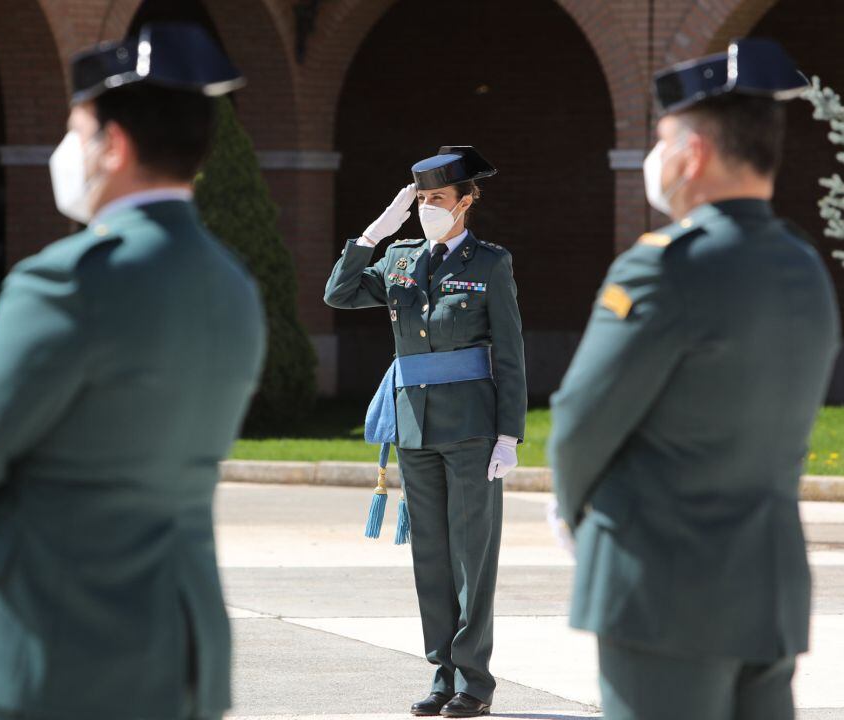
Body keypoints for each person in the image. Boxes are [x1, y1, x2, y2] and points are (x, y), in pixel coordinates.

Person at [0, 24, 265, 720]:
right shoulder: (233, 283)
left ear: (115, 145)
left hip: (62, 637)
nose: (67, 152)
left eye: (77, 131)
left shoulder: (68, 280)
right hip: (186, 638)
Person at [548, 38, 841, 720]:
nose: (657, 157)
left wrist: (573, 512)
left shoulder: (665, 266)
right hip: (767, 588)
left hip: (663, 589)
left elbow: (580, 421)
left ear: (695, 152)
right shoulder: (804, 265)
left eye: (662, 139)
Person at [325, 146, 528, 718]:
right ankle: (442, 674)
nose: (426, 210)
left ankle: (475, 683)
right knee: (432, 558)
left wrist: (508, 434)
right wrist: (373, 235)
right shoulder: (401, 259)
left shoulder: (489, 263)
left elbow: (509, 354)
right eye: (419, 201)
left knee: (472, 558)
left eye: (437, 200)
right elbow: (337, 294)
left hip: (471, 429)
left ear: (465, 202)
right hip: (414, 427)